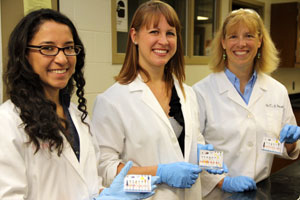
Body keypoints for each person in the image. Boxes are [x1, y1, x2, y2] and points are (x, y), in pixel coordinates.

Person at [0, 8, 158, 200]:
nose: (61, 59)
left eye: (68, 48)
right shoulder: (8, 122)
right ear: (24, 55)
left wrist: (105, 195)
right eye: (47, 48)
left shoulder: (77, 117)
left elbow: (89, 185)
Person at [91, 1, 226, 200]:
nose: (163, 41)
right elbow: (105, 169)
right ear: (134, 36)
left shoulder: (187, 94)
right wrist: (158, 172)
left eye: (170, 33)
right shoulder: (112, 101)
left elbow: (193, 144)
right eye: (154, 31)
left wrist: (208, 160)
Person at [193, 8, 300, 197]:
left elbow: (286, 147)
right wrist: (223, 181)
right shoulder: (201, 92)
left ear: (260, 41)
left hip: (259, 192)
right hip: (215, 194)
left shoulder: (277, 91)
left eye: (249, 35)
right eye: (233, 36)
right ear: (223, 43)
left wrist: (291, 143)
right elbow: (192, 150)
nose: (241, 43)